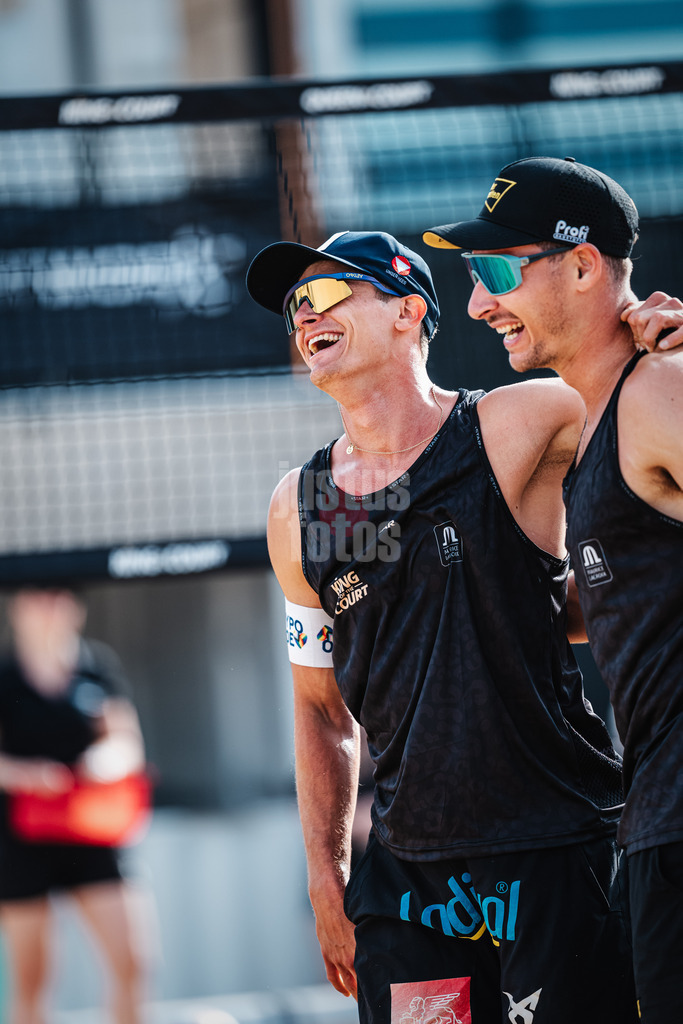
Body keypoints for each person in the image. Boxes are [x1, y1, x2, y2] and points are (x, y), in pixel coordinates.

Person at [246, 229, 652, 1023]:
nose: (303, 316)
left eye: (326, 294)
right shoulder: (302, 505)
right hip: (410, 882)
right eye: (294, 305)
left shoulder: (521, 420)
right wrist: (327, 876)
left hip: (554, 843)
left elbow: (634, 395)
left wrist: (653, 336)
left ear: (406, 311)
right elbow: (321, 711)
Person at [422, 155, 683, 1024]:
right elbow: (624, 599)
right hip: (653, 819)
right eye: (471, 275)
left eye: (498, 272)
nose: (477, 302)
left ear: (583, 266)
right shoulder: (603, 423)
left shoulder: (660, 392)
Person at [0, 586, 148, 1024]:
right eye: (37, 597)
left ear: (75, 608)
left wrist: (102, 762)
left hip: (92, 829)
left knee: (133, 963)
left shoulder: (96, 667)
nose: (47, 607)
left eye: (57, 596)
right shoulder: (5, 676)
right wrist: (30, 775)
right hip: (21, 838)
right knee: (34, 980)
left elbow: (127, 743)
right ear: (16, 608)